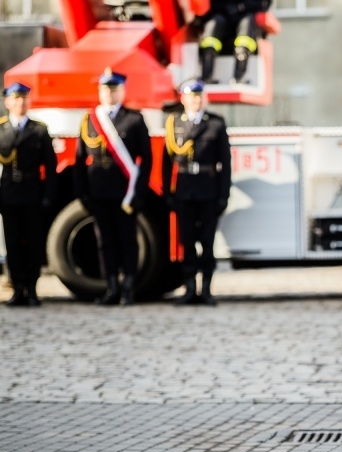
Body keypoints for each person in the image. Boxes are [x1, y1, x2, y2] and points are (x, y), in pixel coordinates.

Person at [74, 69, 152, 306]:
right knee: (105, 241)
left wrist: (137, 192)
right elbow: (79, 160)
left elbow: (146, 159)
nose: (109, 93)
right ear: (100, 91)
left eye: (114, 89)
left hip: (124, 191)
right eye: (105, 89)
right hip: (98, 190)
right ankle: (111, 287)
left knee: (127, 240)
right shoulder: (90, 119)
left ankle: (128, 287)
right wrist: (82, 193)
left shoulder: (134, 119)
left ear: (122, 91)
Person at [162, 79, 231, 306]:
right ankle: (190, 288)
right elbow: (166, 162)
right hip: (184, 189)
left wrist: (223, 195)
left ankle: (207, 290)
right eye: (191, 96)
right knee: (188, 241)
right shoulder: (174, 124)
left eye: (199, 96)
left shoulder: (216, 124)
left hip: (208, 190)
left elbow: (225, 163)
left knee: (207, 243)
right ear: (183, 99)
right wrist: (168, 193)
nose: (196, 100)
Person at [0, 82, 57, 307]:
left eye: (24, 98)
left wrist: (48, 195)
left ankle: (32, 289)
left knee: (33, 243)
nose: (20, 103)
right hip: (8, 192)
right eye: (15, 99)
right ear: (7, 102)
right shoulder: (2, 129)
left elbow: (50, 167)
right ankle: (17, 289)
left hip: (32, 190)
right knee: (13, 243)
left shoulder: (39, 130)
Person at [197, 0, 272, 84]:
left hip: (246, 15)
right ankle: (206, 77)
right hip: (222, 16)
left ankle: (238, 78)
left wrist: (240, 7)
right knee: (212, 31)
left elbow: (262, 4)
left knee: (246, 28)